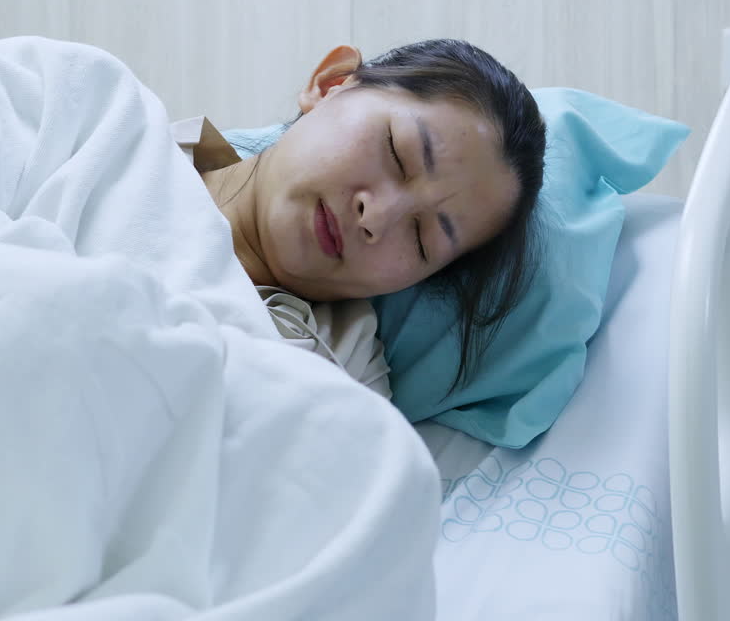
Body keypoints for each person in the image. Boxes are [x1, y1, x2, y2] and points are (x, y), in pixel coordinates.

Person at [174, 39, 547, 398]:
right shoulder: (137, 138)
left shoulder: (344, 388)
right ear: (331, 84)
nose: (377, 217)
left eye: (422, 237)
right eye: (397, 153)